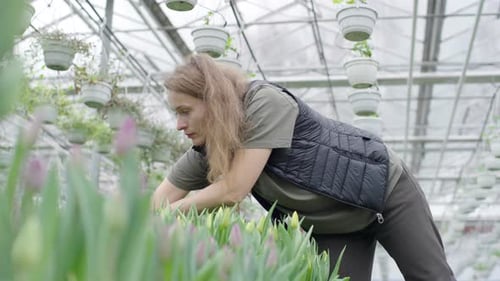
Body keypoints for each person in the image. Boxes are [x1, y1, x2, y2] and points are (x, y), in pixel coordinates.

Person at [151, 54, 456, 281]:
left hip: (386, 195)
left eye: (185, 111)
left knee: (431, 278)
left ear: (214, 101)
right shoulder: (209, 149)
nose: (179, 124)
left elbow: (233, 189)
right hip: (334, 229)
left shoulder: (263, 102)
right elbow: (157, 205)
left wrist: (176, 212)